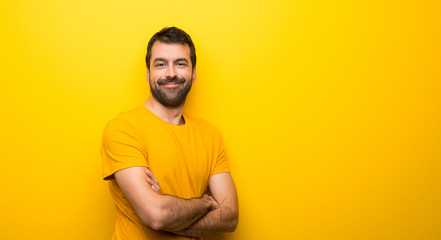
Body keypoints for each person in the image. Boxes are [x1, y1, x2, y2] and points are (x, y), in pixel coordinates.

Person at [101, 27, 239, 240]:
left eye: (180, 63)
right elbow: (156, 215)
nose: (171, 73)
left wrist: (168, 211)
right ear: (148, 74)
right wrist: (206, 202)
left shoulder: (210, 134)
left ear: (193, 74)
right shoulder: (123, 129)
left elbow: (230, 217)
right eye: (161, 64)